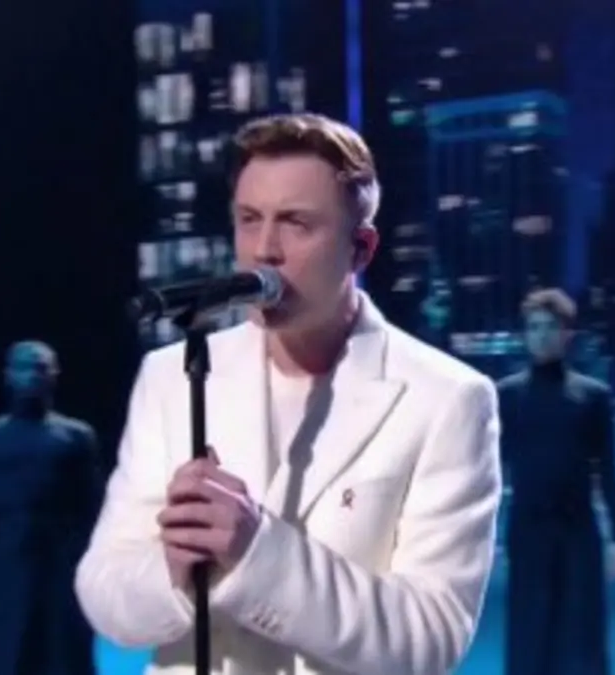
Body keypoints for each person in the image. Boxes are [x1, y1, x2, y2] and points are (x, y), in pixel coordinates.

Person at [75, 113, 502, 675]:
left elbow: (429, 637)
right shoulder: (171, 376)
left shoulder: (448, 399)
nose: (264, 250)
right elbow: (102, 589)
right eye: (249, 220)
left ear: (361, 248)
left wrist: (257, 552)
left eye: (296, 223)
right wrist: (173, 572)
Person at [496, 289, 615, 675]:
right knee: (529, 631)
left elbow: (608, 470)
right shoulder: (506, 395)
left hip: (578, 531)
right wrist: (488, 536)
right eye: (534, 327)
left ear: (568, 334)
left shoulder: (593, 396)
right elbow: (491, 472)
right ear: (525, 334)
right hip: (527, 529)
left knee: (581, 634)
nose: (541, 335)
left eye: (550, 327)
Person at [0, 341, 103, 675]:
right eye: (23, 367)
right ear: (8, 375)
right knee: (7, 655)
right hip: (3, 569)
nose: (32, 375)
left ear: (55, 374)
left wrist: (102, 571)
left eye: (41, 367)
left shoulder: (77, 437)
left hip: (63, 570)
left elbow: (94, 510)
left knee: (66, 659)